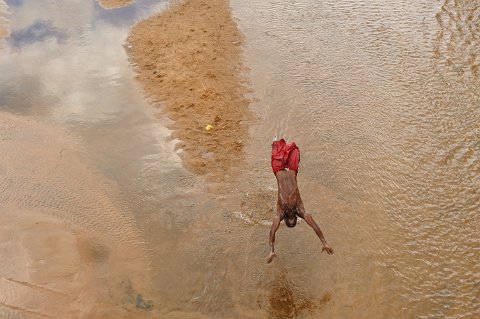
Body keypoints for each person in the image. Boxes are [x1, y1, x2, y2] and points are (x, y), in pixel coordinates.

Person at [266, 137, 333, 264]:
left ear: (284, 219)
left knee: (276, 145)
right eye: (293, 220)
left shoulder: (280, 213)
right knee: (294, 148)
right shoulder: (300, 209)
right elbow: (314, 226)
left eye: (289, 220)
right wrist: (324, 242)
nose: (291, 218)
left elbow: (273, 230)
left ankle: (275, 138)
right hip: (292, 170)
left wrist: (271, 250)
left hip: (278, 169)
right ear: (297, 217)